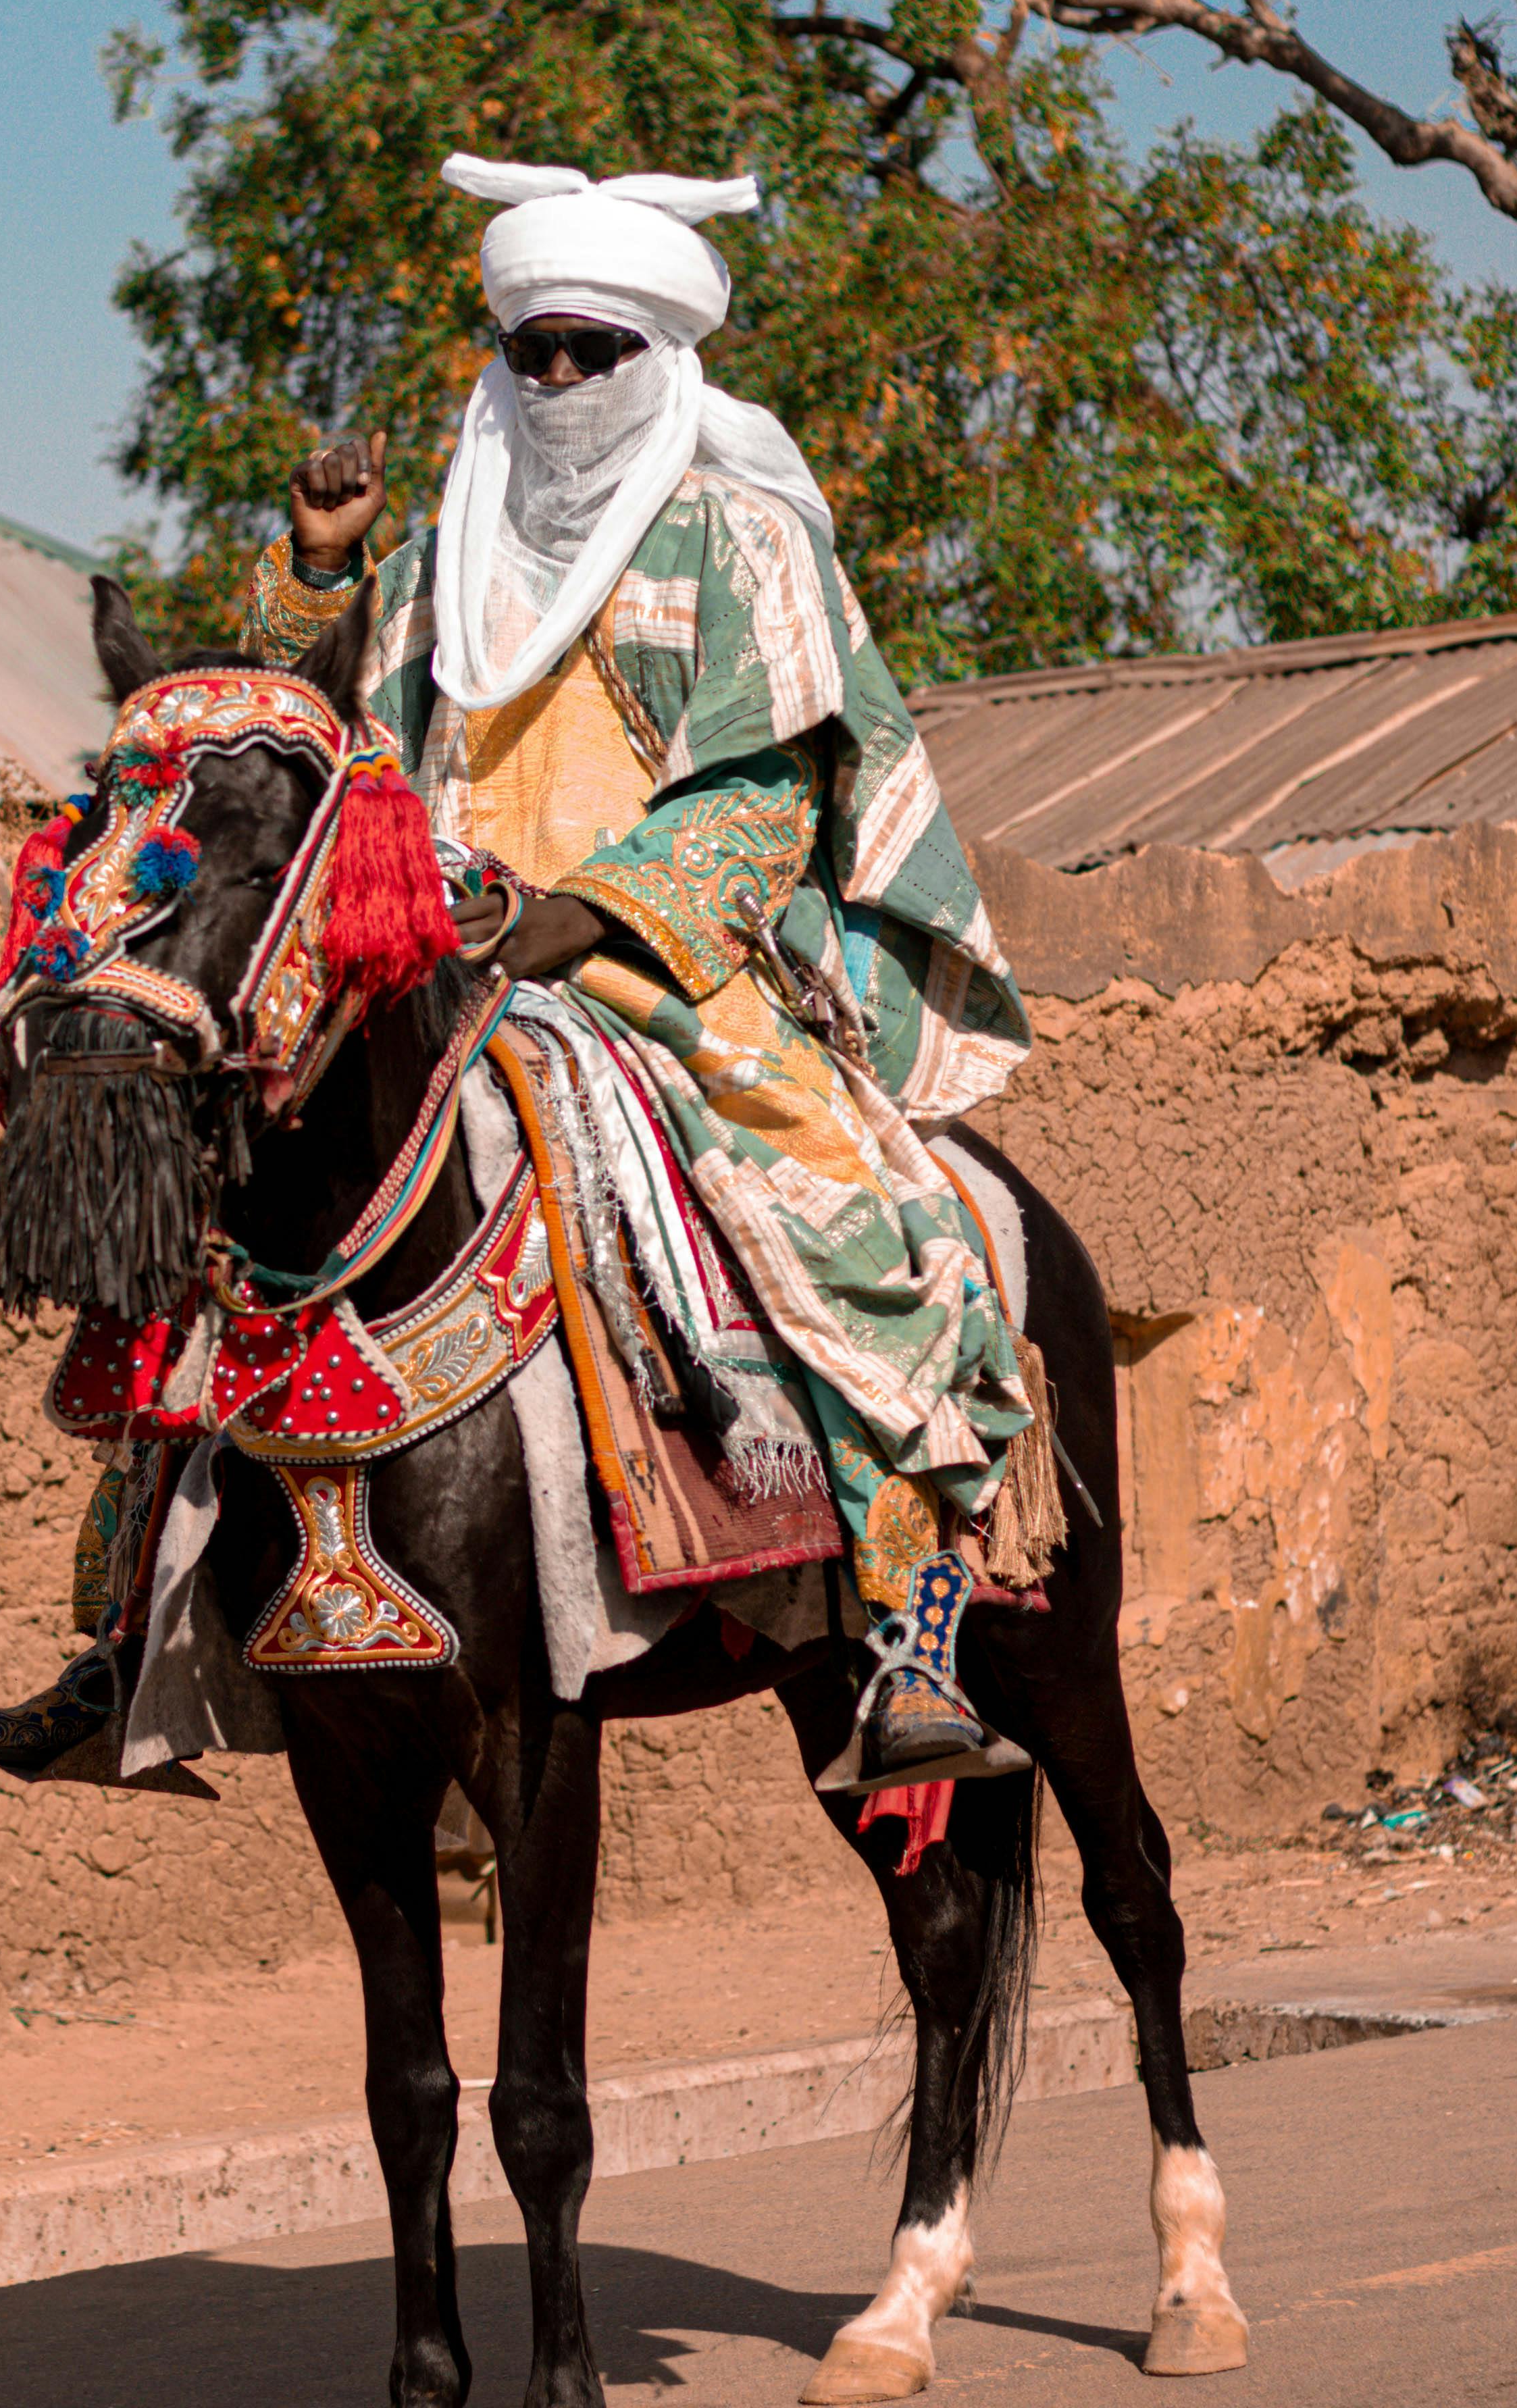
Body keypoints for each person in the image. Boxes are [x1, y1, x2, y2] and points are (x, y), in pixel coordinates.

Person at [233, 155, 1037, 1785]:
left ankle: (907, 1631)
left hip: (663, 973)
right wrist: (318, 574)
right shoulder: (439, 562)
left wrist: (579, 916)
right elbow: (298, 749)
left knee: (858, 1223)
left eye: (591, 350)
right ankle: (133, 1634)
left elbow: (758, 802)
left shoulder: (742, 543)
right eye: (531, 351)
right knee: (218, 1211)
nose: (558, 382)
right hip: (428, 972)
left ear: (657, 358)